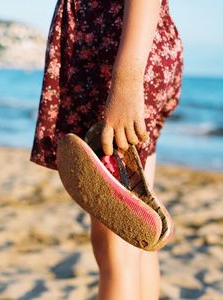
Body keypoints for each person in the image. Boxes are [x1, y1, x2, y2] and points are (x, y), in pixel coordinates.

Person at [30, 0, 183, 299]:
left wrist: (126, 81)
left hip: (113, 52)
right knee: (139, 233)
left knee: (116, 249)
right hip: (125, 45)